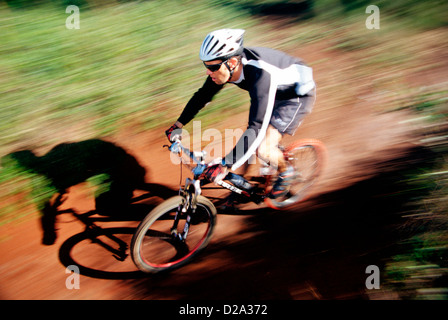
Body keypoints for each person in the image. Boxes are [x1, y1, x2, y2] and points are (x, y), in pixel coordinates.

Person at [165, 28, 316, 200]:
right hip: (273, 91)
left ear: (232, 62)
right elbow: (203, 96)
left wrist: (225, 165)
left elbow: (256, 127)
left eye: (213, 67)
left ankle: (286, 171)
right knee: (250, 138)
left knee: (264, 148)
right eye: (206, 66)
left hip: (295, 95)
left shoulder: (260, 74)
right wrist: (178, 125)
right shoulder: (225, 68)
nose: (208, 72)